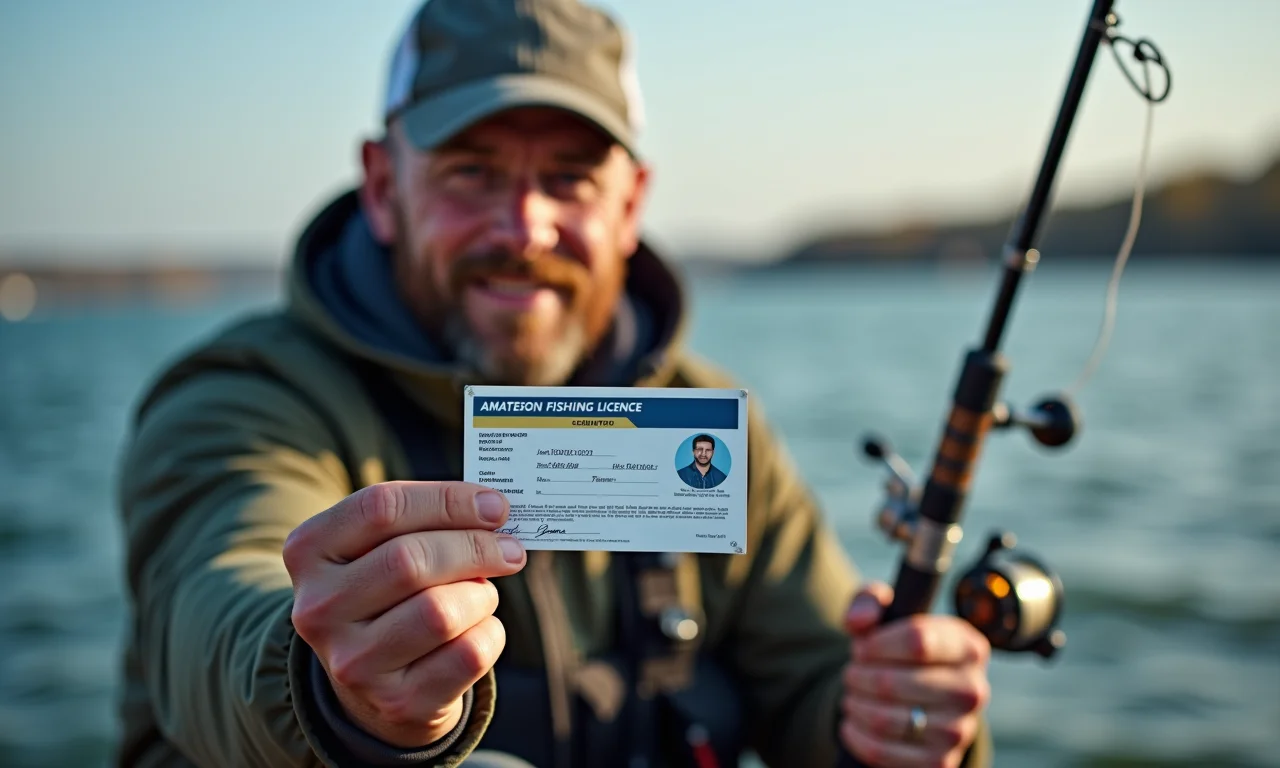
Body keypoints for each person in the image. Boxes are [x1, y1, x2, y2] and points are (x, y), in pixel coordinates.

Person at [113, 0, 995, 766]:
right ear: (384, 188)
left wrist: (894, 716)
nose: (524, 226)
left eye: (569, 178)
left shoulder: (709, 427)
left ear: (630, 205)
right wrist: (325, 682)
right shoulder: (243, 399)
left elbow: (814, 680)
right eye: (472, 172)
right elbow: (213, 605)